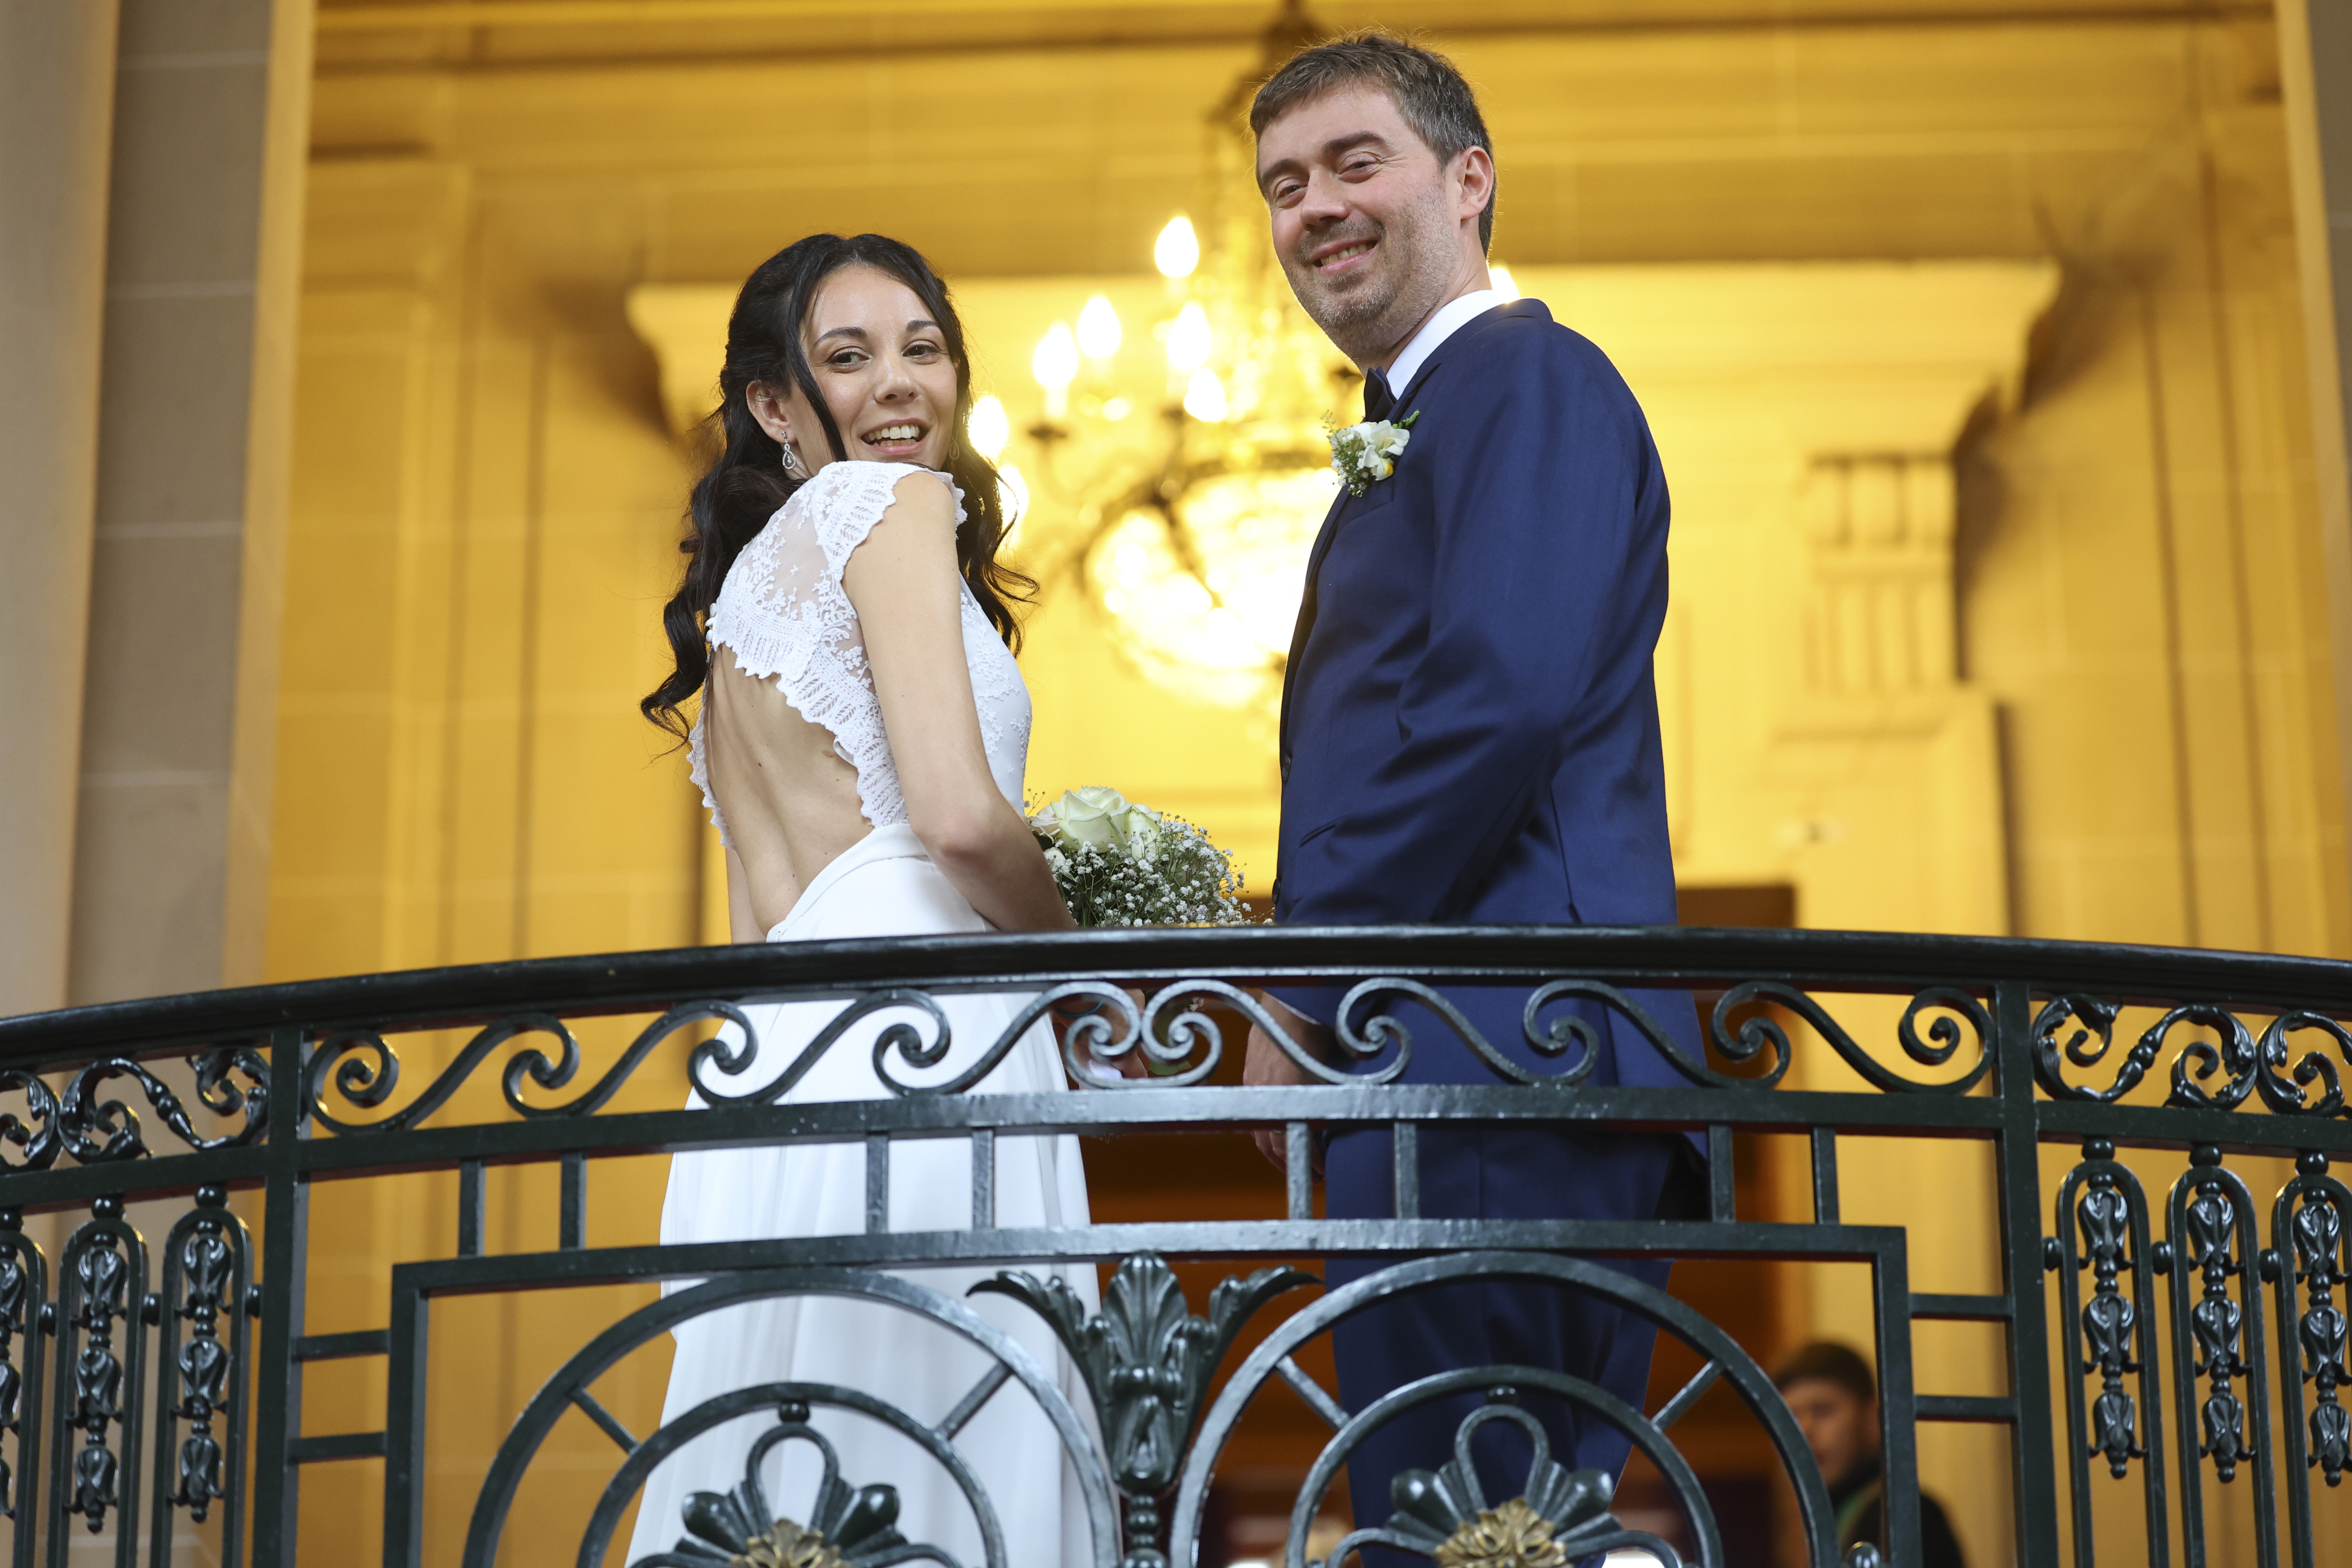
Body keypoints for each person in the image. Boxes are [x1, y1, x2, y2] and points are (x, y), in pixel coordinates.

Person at [1236, 29, 1709, 1555]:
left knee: (1465, 1526)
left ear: (1469, 179)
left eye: (1354, 162)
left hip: (1502, 1053)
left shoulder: (1532, 377)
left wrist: (1298, 986)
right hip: (1459, 1060)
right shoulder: (1434, 411)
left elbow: (1498, 703)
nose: (1315, 205)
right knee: (1480, 1531)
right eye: (1284, 184)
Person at [631, 233, 1095, 1568]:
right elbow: (958, 820)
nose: (899, 383)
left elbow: (752, 941)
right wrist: (1084, 963)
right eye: (848, 357)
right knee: (944, 1462)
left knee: (787, 1486)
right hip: (926, 1044)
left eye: (923, 347)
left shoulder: (736, 617)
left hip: (776, 1079)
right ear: (775, 406)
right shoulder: (888, 507)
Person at [1775, 1342, 1967, 1568]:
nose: (1804, 1431)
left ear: (1871, 1419)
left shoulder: (1904, 1514)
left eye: (1823, 1410)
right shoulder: (1823, 1522)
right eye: (1790, 1418)